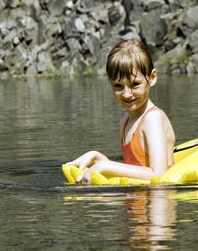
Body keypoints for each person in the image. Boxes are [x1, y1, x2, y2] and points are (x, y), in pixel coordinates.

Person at [67, 39, 175, 184]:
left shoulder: (152, 119)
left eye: (135, 84)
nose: (126, 94)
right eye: (118, 86)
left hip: (158, 203)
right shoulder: (124, 122)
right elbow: (134, 170)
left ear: (152, 78)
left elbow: (159, 174)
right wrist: (98, 158)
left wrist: (105, 165)